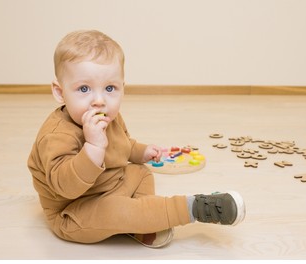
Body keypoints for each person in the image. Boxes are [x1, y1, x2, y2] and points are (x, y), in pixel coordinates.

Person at [27, 30, 246, 248]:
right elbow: (66, 187)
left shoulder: (110, 117)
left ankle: (140, 220)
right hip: (74, 211)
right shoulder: (56, 135)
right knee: (116, 210)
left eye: (110, 88)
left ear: (123, 88)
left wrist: (141, 152)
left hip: (110, 186)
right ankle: (195, 208)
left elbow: (123, 145)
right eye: (84, 89)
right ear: (59, 92)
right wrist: (93, 146)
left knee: (140, 172)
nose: (99, 101)